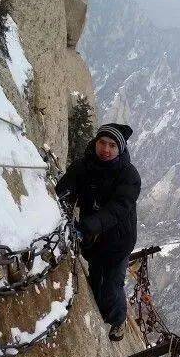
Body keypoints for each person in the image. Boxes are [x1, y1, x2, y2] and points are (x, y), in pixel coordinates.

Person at [56, 123, 141, 341]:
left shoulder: (128, 175)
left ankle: (118, 319)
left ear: (120, 149)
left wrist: (87, 226)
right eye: (102, 143)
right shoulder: (85, 166)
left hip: (118, 240)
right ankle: (102, 312)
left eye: (112, 145)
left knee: (112, 283)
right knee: (96, 280)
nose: (106, 149)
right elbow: (67, 187)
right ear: (95, 142)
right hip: (93, 239)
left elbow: (118, 209)